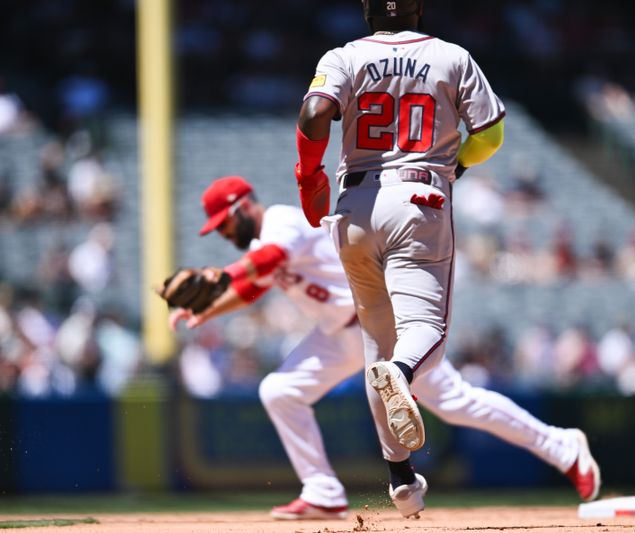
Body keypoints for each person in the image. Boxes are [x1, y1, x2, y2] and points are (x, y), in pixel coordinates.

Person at [293, 0, 597, 518]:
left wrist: (309, 174)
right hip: (418, 198)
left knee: (376, 344)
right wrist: (452, 164)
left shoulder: (342, 56)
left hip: (353, 208)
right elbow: (491, 135)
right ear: (418, 8)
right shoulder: (451, 57)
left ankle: (401, 478)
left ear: (366, 10)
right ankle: (402, 373)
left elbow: (314, 113)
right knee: (423, 334)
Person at [171, 175, 601, 520]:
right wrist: (205, 312)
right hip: (336, 335)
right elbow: (253, 287)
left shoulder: (281, 222)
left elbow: (261, 267)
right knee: (280, 391)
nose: (224, 234)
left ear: (243, 206)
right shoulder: (256, 244)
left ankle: (562, 446)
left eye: (224, 224)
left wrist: (222, 277)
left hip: (379, 322)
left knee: (454, 402)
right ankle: (322, 492)